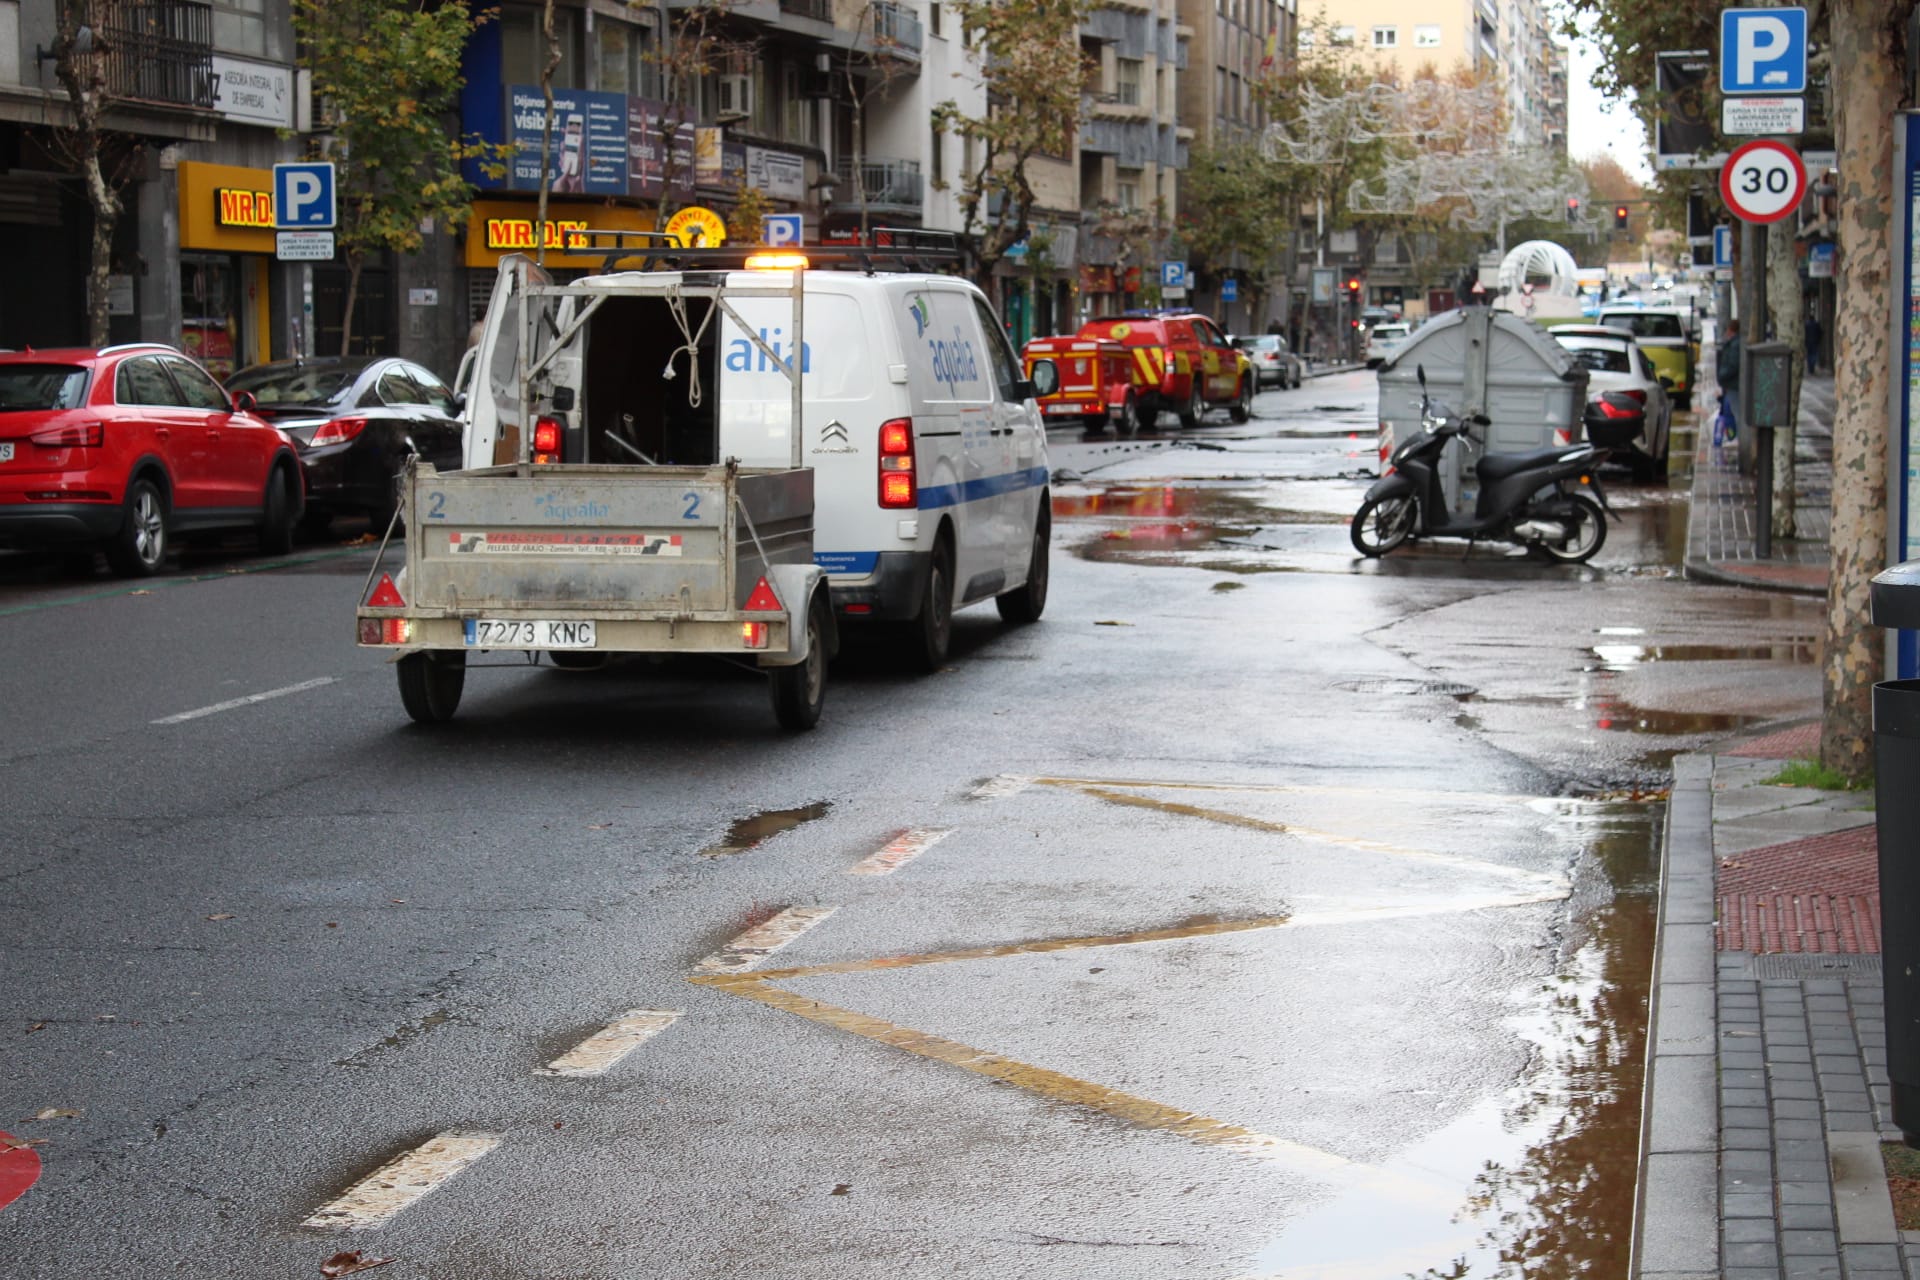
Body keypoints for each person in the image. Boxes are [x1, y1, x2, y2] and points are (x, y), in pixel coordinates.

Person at [1716, 320, 1742, 445]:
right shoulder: (1734, 344)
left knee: (1736, 411)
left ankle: (1738, 438)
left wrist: (1722, 376)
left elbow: (1733, 364)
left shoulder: (1735, 345)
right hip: (1733, 384)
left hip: (1733, 384)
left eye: (1728, 330)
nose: (1726, 333)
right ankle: (1735, 437)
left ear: (1732, 331)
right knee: (1733, 410)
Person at [1805, 310, 1822, 375]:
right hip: (1815, 342)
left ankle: (1810, 367)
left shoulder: (1807, 325)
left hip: (1808, 343)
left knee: (1809, 355)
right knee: (1814, 355)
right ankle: (1812, 365)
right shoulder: (1816, 324)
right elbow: (1820, 333)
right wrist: (1819, 340)